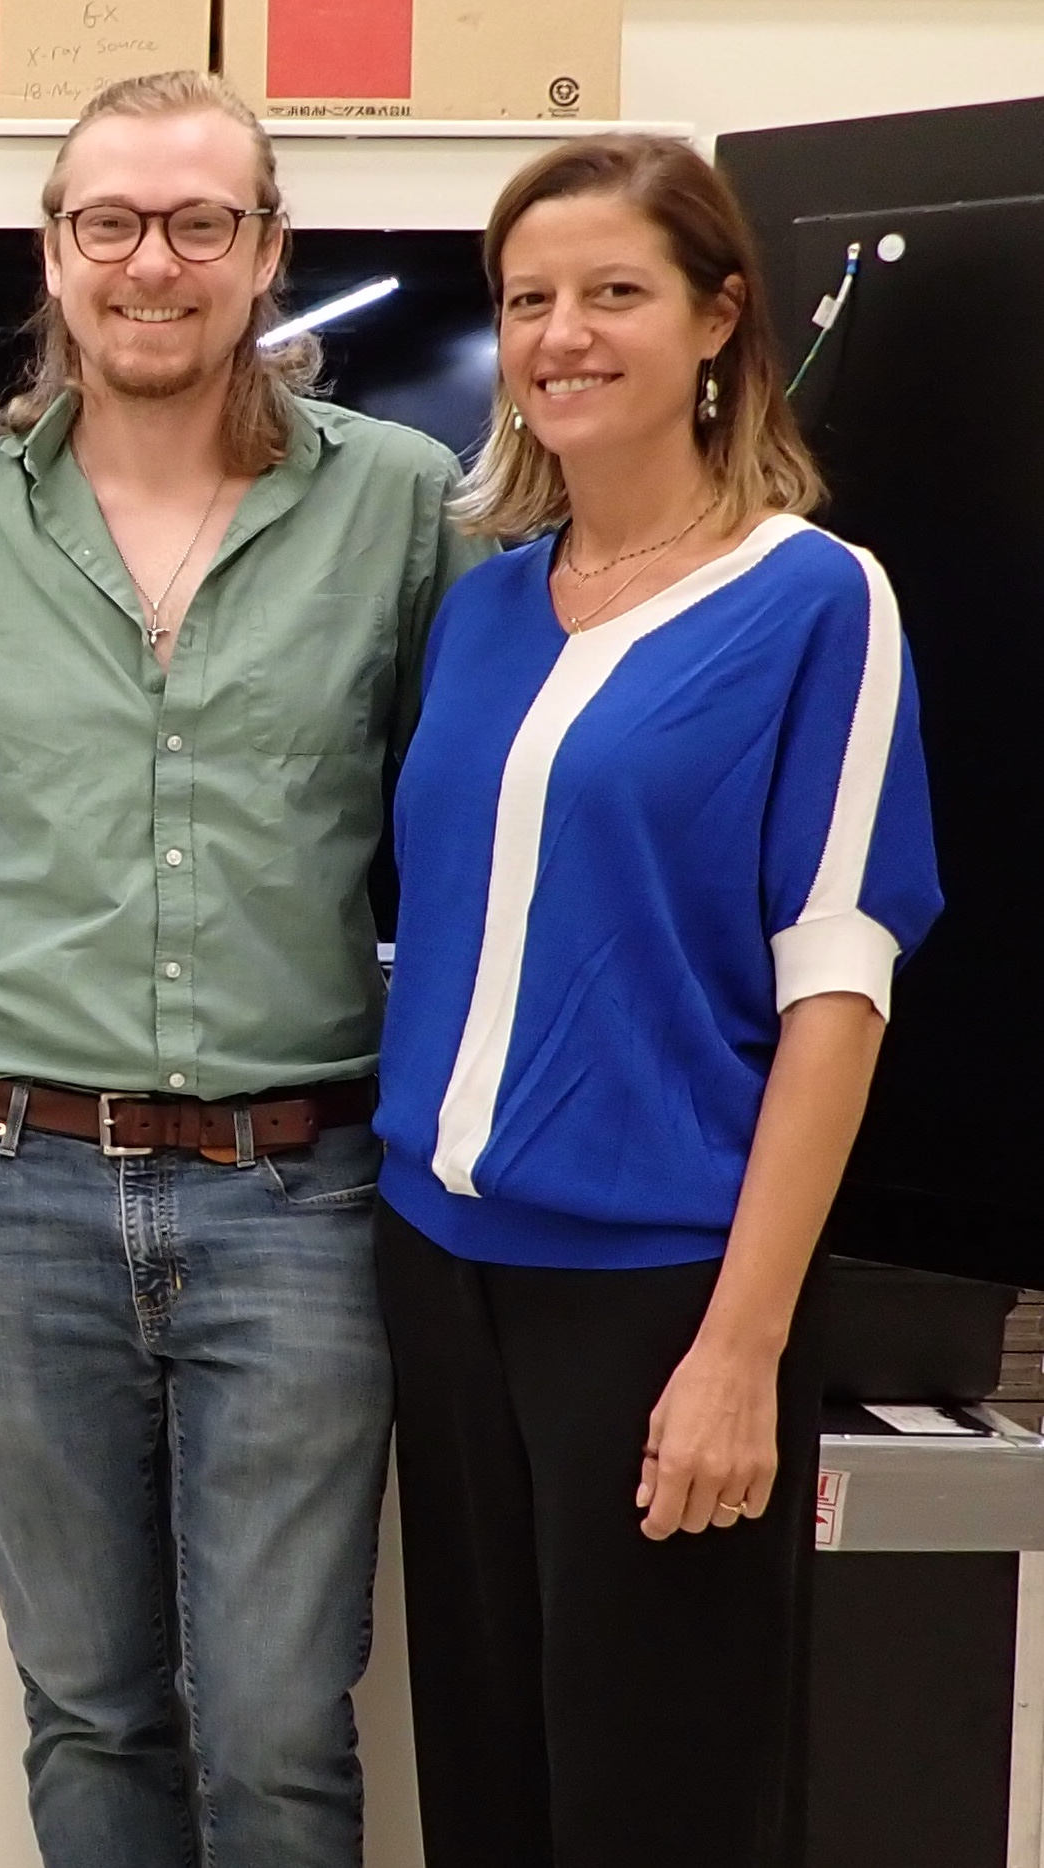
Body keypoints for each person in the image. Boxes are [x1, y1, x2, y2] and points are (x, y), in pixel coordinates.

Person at [0, 68, 485, 1867]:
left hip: (299, 1200)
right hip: (7, 1185)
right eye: (108, 222)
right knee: (91, 1716)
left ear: (265, 255)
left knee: (278, 1734)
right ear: (54, 251)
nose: (151, 263)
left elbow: (478, 832)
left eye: (200, 223)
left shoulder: (406, 507)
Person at [372, 134, 940, 1868]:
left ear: (715, 318)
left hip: (653, 1296)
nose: (562, 333)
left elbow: (841, 986)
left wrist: (738, 1354)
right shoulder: (481, 611)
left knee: (652, 1802)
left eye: (612, 291)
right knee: (483, 1781)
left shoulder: (810, 599)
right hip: (436, 1270)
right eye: (528, 299)